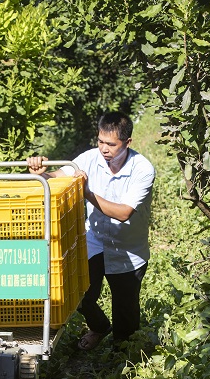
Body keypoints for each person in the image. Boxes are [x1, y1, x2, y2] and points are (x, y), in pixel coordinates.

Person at [27, 110, 155, 351]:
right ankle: (99, 327)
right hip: (94, 242)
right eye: (100, 141)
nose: (104, 149)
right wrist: (40, 173)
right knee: (81, 295)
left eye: (111, 144)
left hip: (129, 251)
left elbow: (123, 213)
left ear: (127, 143)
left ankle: (122, 359)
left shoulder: (142, 170)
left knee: (126, 316)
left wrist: (86, 192)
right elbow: (56, 177)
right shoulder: (88, 158)